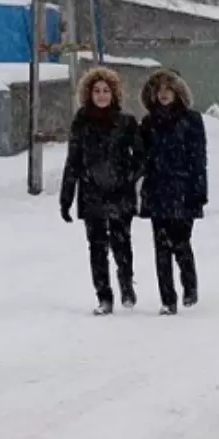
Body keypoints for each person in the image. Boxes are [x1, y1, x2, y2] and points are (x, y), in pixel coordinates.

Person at [59, 67, 144, 315]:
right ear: (88, 93)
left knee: (121, 243)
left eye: (106, 90)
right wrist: (66, 198)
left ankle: (126, 284)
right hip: (91, 192)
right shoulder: (81, 123)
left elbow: (140, 157)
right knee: (96, 247)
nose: (102, 95)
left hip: (120, 192)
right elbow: (72, 161)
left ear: (114, 93)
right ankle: (104, 296)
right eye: (96, 90)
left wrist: (128, 177)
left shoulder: (126, 122)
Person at [139, 69, 208, 316]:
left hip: (184, 190)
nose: (164, 94)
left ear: (177, 92)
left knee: (181, 242)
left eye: (168, 89)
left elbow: (199, 159)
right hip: (157, 191)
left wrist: (199, 192)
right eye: (159, 90)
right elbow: (141, 159)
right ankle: (168, 299)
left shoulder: (192, 120)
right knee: (161, 248)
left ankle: (190, 285)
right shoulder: (148, 123)